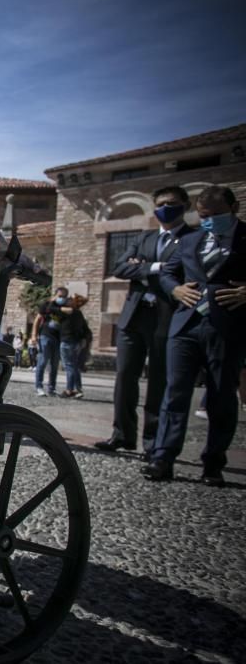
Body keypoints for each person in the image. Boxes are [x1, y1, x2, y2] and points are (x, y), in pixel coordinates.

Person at [143, 186, 246, 486]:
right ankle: (163, 458)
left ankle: (213, 463)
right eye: (204, 216)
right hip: (186, 324)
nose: (210, 220)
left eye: (217, 215)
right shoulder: (190, 240)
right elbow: (166, 273)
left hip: (227, 325)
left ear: (234, 208)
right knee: (174, 393)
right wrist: (174, 288)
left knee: (221, 396)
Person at [96, 186, 195, 453]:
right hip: (134, 316)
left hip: (168, 316)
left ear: (185, 205)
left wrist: (140, 267)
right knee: (125, 376)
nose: (165, 208)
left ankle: (152, 442)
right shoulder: (145, 238)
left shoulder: (192, 239)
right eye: (160, 203)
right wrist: (154, 267)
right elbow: (120, 267)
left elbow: (186, 272)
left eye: (171, 203)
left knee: (159, 381)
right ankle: (122, 434)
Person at [32, 286, 70, 396]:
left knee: (54, 365)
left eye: (63, 296)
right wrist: (34, 335)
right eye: (59, 296)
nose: (61, 298)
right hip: (45, 336)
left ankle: (51, 388)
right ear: (55, 295)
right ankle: (39, 387)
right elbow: (37, 319)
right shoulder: (47, 305)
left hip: (58, 339)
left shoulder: (64, 308)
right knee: (42, 361)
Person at [60, 294, 91, 398]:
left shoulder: (68, 312)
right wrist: (83, 340)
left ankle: (69, 389)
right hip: (76, 343)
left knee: (69, 367)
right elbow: (86, 330)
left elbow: (50, 308)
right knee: (74, 367)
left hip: (67, 341)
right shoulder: (79, 314)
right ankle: (78, 389)